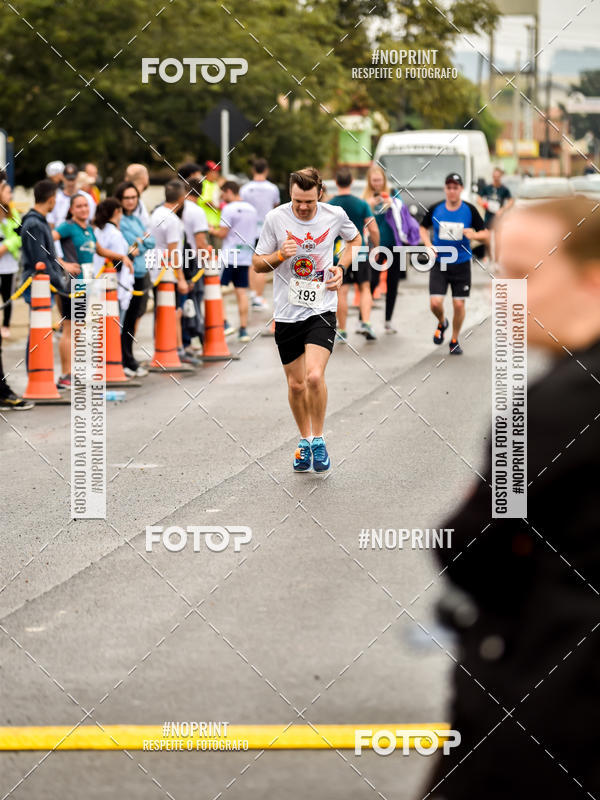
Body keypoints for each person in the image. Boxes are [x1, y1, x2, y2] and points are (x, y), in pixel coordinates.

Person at [424, 196, 600, 800]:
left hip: (548, 704)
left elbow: (467, 544)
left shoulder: (552, 412)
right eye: (498, 272)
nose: (504, 293)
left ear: (591, 278)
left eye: (524, 274)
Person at [252, 166, 361, 473]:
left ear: (320, 195)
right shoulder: (276, 219)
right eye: (297, 201)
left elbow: (355, 240)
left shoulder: (334, 214)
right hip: (287, 313)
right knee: (297, 385)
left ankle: (319, 440)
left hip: (321, 308)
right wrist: (278, 257)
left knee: (314, 376)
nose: (302, 207)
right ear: (291, 194)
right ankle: (304, 440)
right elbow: (258, 264)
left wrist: (341, 267)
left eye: (308, 202)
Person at [419, 173, 489, 355]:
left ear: (461, 189)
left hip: (461, 263)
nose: (452, 191)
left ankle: (454, 340)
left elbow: (486, 234)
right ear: (445, 189)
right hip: (440, 263)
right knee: (435, 303)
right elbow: (422, 228)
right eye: (449, 187)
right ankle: (442, 322)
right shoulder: (435, 209)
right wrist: (428, 245)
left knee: (458, 304)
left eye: (455, 187)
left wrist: (474, 235)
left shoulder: (469, 210)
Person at [20, 180, 80, 385]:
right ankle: (36, 375)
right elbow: (41, 260)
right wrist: (61, 284)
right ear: (52, 198)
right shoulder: (35, 224)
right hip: (38, 285)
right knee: (38, 331)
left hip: (44, 285)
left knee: (41, 330)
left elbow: (48, 256)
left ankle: (38, 374)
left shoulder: (38, 221)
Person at [364, 164, 419, 333]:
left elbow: (402, 212)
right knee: (372, 281)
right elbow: (361, 216)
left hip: (396, 245)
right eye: (374, 181)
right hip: (377, 245)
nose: (377, 184)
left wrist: (392, 202)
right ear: (369, 181)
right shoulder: (366, 197)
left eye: (379, 180)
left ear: (384, 180)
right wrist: (370, 204)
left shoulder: (392, 192)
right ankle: (363, 319)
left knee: (392, 283)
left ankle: (388, 321)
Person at [328, 167, 379, 341]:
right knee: (364, 287)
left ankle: (341, 330)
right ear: (351, 182)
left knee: (342, 291)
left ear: (336, 182)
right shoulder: (362, 204)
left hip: (338, 255)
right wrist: (376, 247)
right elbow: (373, 228)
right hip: (360, 251)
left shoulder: (329, 205)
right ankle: (365, 322)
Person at [209, 180, 258, 343]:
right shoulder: (252, 209)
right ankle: (243, 330)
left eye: (223, 193)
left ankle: (224, 323)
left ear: (229, 191)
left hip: (230, 255)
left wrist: (210, 229)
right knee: (241, 292)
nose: (222, 197)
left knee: (217, 289)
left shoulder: (228, 209)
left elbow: (223, 233)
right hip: (245, 255)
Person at [117, 181, 156, 376]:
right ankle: (123, 360)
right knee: (124, 319)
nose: (131, 201)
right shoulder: (120, 221)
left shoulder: (137, 219)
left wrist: (139, 242)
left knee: (134, 318)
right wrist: (140, 242)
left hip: (142, 273)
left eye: (134, 197)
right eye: (127, 198)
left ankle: (129, 357)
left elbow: (151, 241)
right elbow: (128, 247)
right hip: (127, 276)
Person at [149, 179, 190, 361]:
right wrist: (180, 278)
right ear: (181, 198)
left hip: (155, 267)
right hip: (167, 272)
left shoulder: (156, 213)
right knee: (175, 311)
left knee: (161, 310)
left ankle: (163, 345)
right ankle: (176, 348)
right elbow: (174, 252)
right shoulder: (172, 220)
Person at [93, 200, 136, 369]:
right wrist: (130, 255)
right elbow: (116, 262)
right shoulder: (115, 234)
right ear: (117, 211)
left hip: (99, 283)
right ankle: (114, 365)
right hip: (116, 287)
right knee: (115, 328)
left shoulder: (97, 231)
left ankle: (103, 365)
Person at [240, 157, 280, 309]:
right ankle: (258, 296)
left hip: (249, 230)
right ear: (266, 170)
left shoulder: (245, 189)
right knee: (263, 263)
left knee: (252, 263)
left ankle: (253, 294)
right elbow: (275, 207)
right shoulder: (273, 188)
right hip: (266, 230)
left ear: (253, 170)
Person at [181, 178, 210, 354]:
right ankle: (195, 338)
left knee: (183, 303)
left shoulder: (176, 208)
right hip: (194, 263)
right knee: (194, 302)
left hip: (178, 261)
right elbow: (200, 241)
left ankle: (185, 341)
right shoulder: (197, 211)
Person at [0, 179, 22, 339]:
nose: (10, 195)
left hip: (8, 262)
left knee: (8, 295)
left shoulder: (12, 213)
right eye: (7, 191)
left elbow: (19, 236)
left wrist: (6, 246)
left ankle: (6, 324)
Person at [47, 162, 79, 228]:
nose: (70, 182)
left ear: (77, 177)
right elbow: (51, 223)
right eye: (68, 179)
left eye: (72, 179)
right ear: (62, 177)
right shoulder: (55, 198)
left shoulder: (87, 198)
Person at [198, 160, 222, 245]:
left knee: (217, 253)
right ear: (207, 173)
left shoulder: (216, 184)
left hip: (217, 226)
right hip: (206, 225)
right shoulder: (203, 184)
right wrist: (220, 206)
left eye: (217, 171)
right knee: (207, 253)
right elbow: (206, 201)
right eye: (214, 171)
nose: (216, 174)